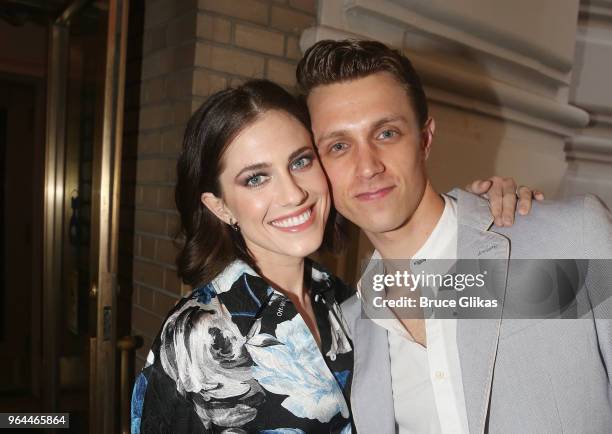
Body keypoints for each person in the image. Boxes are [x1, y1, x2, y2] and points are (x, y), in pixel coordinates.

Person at [129, 78, 537, 433]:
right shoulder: (195, 336)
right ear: (220, 206)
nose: (293, 194)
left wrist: (489, 214)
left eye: (301, 161)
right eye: (256, 178)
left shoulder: (349, 301)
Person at [296, 39, 612, 433]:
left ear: (425, 139)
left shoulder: (571, 238)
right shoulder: (347, 334)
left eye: (387, 133)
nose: (367, 167)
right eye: (339, 146)